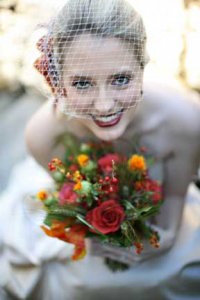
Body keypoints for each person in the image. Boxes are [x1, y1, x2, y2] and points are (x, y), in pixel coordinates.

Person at [0, 0, 200, 299]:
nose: (105, 105)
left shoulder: (183, 122)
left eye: (120, 79)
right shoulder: (43, 137)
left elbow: (173, 200)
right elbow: (74, 200)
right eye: (82, 83)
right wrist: (91, 235)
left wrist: (165, 238)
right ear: (58, 81)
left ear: (142, 68)